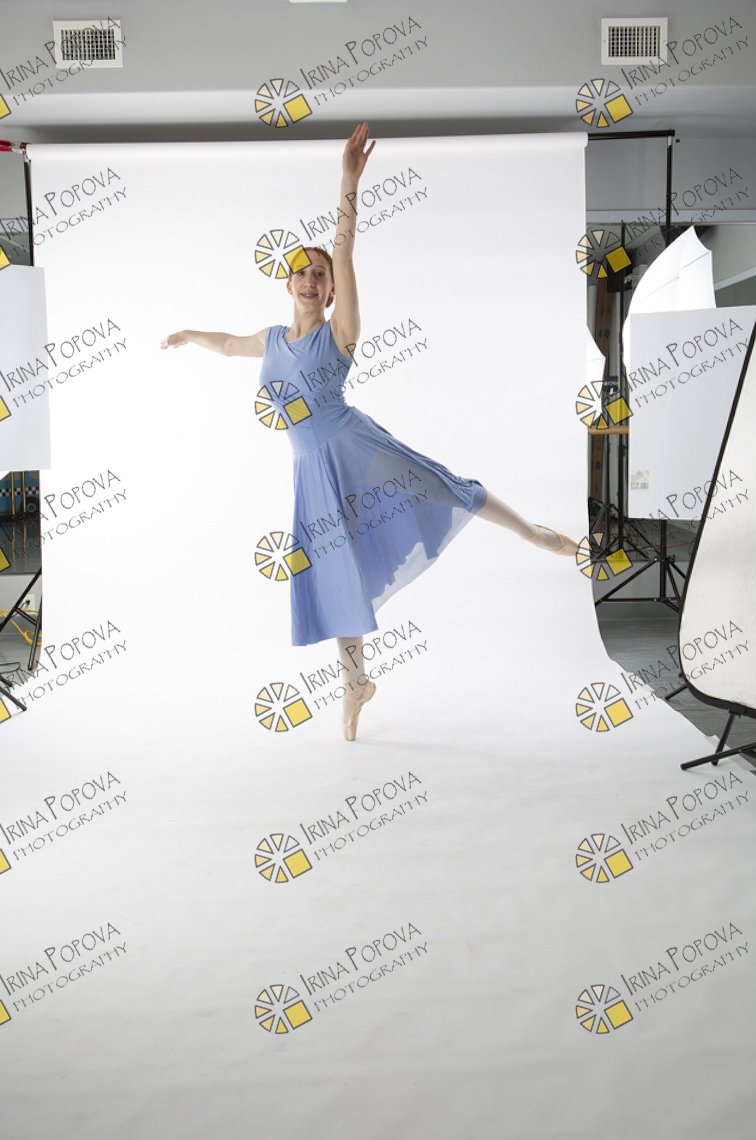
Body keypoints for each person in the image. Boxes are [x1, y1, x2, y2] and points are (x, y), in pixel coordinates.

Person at [162, 123, 579, 741]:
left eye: (320, 275)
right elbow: (227, 344)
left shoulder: (340, 333)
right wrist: (188, 334)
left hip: (356, 447)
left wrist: (348, 181)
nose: (311, 280)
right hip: (311, 472)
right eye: (302, 273)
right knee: (336, 572)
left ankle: (533, 533)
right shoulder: (271, 341)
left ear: (331, 289)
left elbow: (346, 247)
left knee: (443, 486)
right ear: (287, 283)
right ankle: (355, 682)